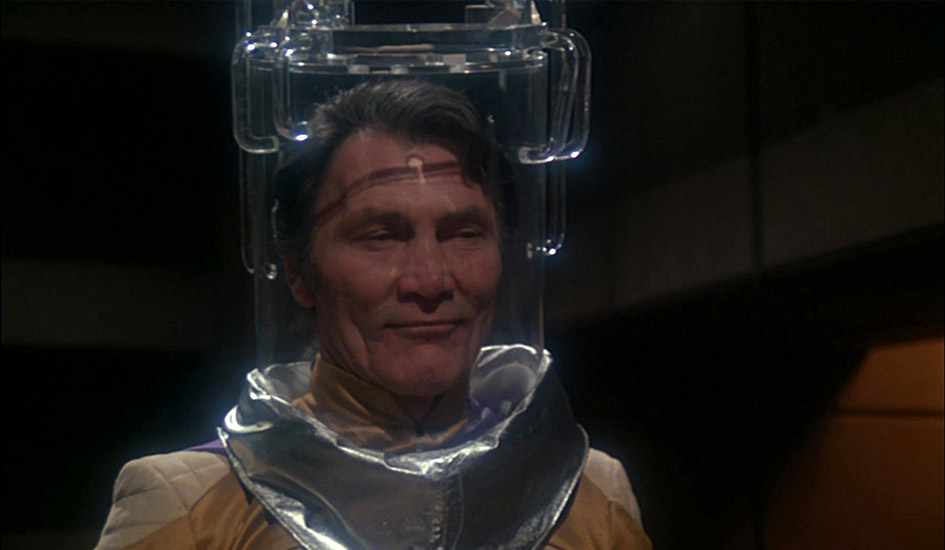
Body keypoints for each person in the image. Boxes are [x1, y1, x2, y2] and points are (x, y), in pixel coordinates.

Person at [94, 80, 651, 550]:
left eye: (463, 234)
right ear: (299, 272)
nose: (430, 281)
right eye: (381, 237)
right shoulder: (189, 502)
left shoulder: (588, 489)